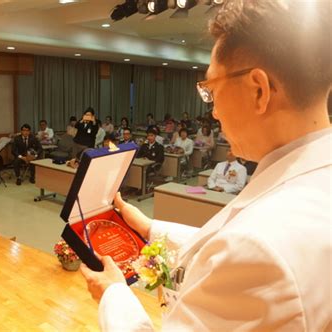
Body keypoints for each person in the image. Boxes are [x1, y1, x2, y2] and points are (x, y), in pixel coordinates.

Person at [80, 1, 331, 330]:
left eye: (211, 89)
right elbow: (229, 246)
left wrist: (113, 293)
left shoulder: (260, 248)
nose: (213, 111)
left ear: (259, 90)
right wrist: (150, 229)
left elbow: (245, 249)